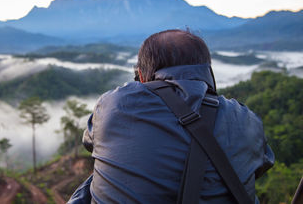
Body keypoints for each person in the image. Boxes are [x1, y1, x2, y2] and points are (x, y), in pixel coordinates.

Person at [69, 29, 274, 203]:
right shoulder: (247, 120)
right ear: (208, 72)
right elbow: (262, 164)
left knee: (94, 181)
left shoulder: (114, 104)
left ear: (141, 76)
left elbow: (90, 141)